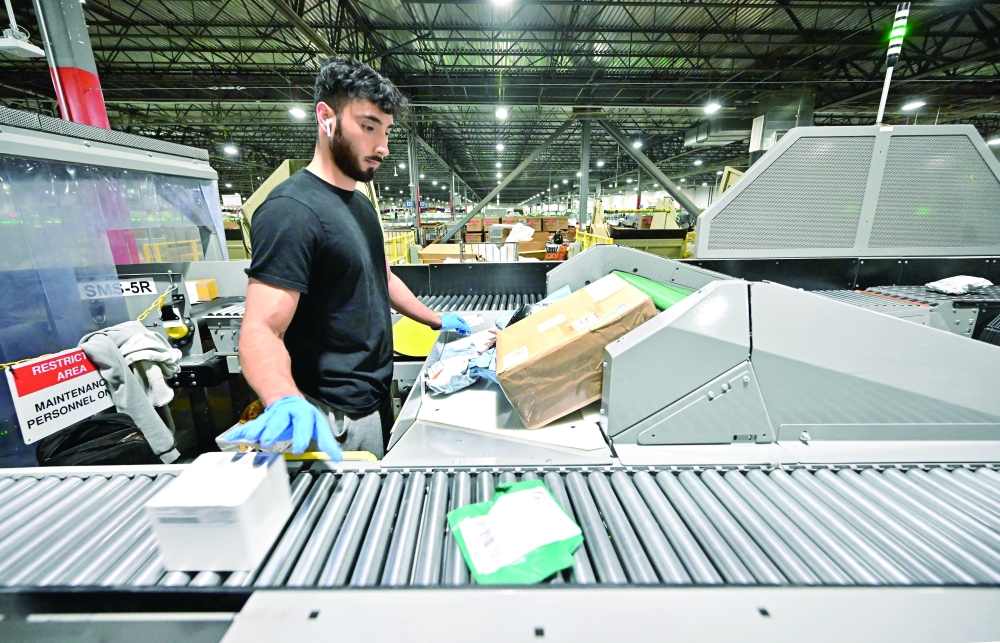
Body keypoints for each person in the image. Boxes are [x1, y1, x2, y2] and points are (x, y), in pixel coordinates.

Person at [226, 57, 471, 460]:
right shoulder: (292, 211)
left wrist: (436, 319)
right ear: (327, 118)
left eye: (387, 131)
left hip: (373, 396)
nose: (383, 148)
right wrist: (283, 398)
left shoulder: (359, 204)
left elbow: (381, 275)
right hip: (332, 416)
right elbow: (260, 330)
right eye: (368, 126)